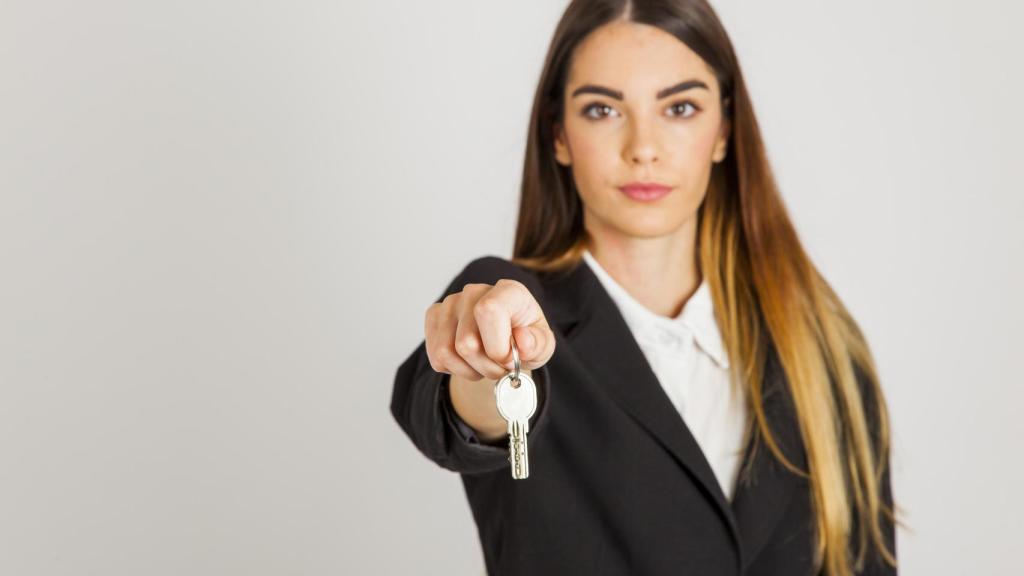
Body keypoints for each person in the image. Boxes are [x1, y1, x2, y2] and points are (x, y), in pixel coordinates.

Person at [391, 1, 903, 574]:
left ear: (723, 131)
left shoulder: (820, 346)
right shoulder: (510, 308)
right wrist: (482, 360)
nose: (643, 147)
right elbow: (467, 412)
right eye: (603, 109)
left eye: (680, 107)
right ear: (558, 135)